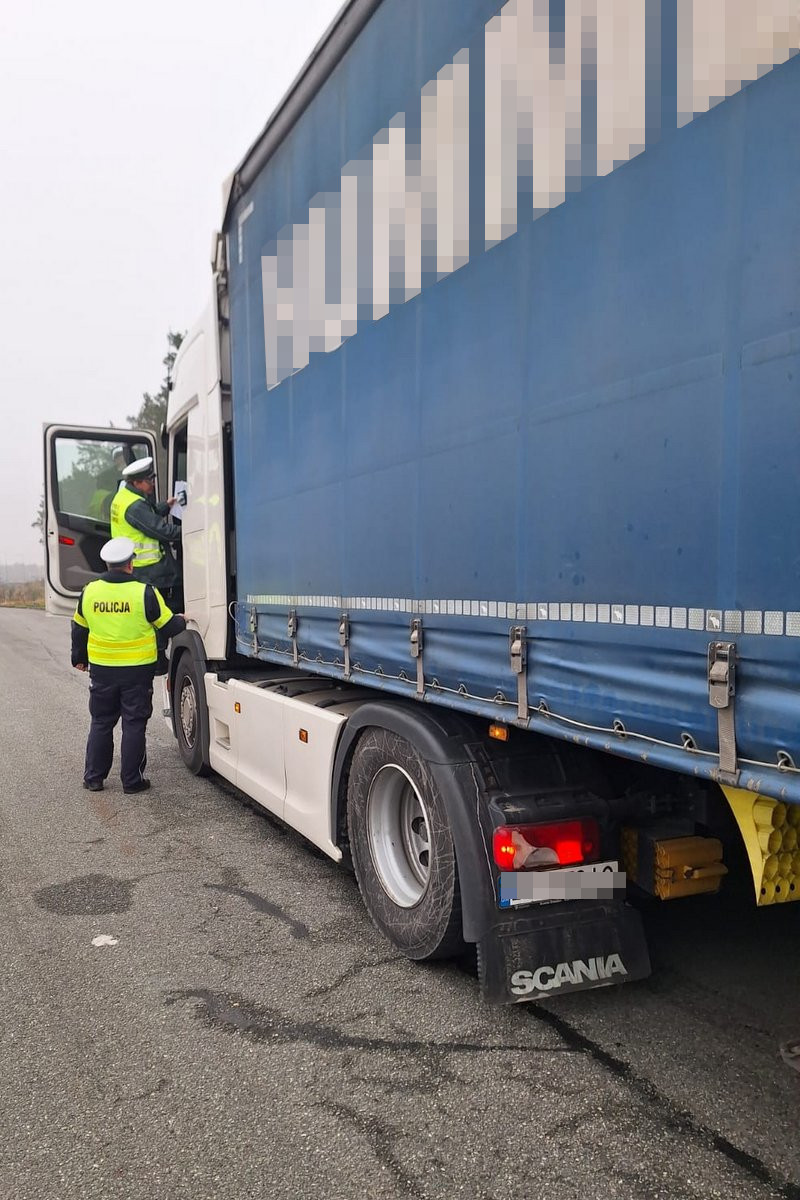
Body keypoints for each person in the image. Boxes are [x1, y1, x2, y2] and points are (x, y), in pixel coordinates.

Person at [71, 536, 186, 793]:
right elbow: (169, 627)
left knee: (101, 722)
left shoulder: (90, 591)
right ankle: (132, 782)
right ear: (130, 564)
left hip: (102, 671)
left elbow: (79, 628)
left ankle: (94, 778)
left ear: (107, 564)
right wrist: (183, 619)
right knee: (134, 724)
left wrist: (78, 658)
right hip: (137, 672)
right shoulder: (144, 592)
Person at [110, 456, 182, 594]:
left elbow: (146, 517)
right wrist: (188, 530)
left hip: (135, 565)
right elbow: (161, 530)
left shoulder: (123, 496)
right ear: (136, 483)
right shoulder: (135, 506)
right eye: (149, 481)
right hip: (148, 569)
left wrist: (166, 506)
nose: (153, 484)